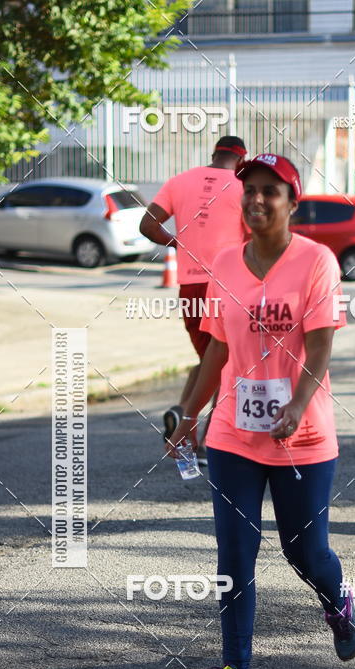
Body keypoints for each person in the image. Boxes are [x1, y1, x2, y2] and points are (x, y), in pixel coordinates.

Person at [166, 153, 355, 669]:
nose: (256, 199)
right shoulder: (224, 264)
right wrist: (188, 414)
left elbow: (321, 344)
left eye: (269, 191)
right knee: (234, 556)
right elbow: (216, 352)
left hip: (301, 437)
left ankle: (338, 601)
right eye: (248, 189)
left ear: (291, 202)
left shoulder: (316, 262)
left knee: (305, 553)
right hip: (234, 435)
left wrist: (300, 403)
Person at [139, 136, 248, 463]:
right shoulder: (244, 188)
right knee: (225, 365)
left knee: (209, 358)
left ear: (214, 154)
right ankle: (200, 441)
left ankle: (182, 416)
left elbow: (147, 224)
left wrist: (176, 242)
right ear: (241, 161)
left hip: (190, 288)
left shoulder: (178, 181)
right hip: (230, 284)